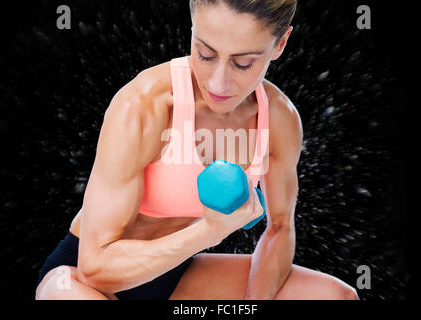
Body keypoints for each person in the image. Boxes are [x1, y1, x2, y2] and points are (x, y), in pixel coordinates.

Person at [35, 0, 359, 300]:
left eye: (243, 63)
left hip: (177, 280)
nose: (218, 84)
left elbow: (279, 228)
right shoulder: (144, 106)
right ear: (192, 26)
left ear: (280, 44)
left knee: (336, 296)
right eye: (205, 54)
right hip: (82, 280)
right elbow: (95, 269)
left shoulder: (279, 119)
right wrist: (209, 232)